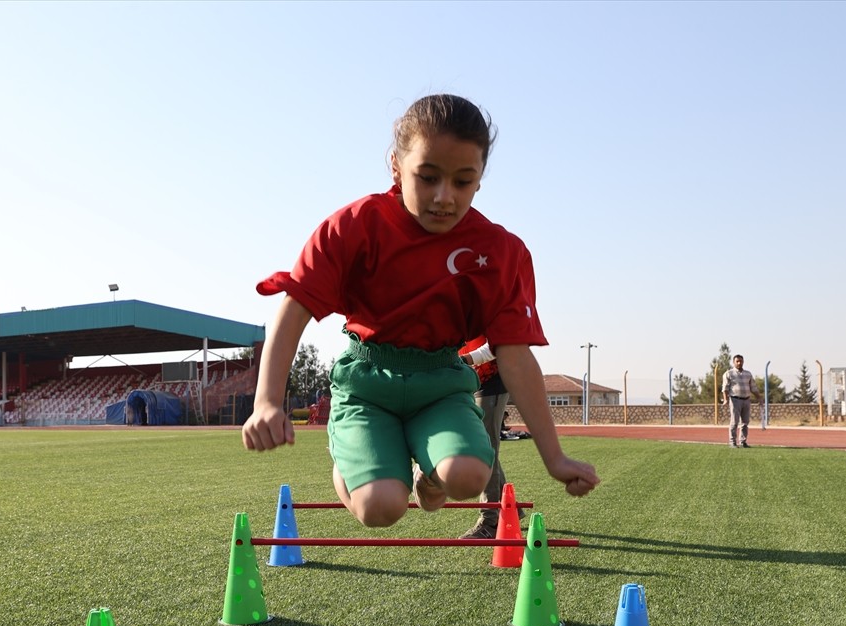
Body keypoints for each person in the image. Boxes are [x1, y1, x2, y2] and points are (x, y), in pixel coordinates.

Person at [242, 93, 600, 527]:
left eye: (463, 181)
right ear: (395, 165)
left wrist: (555, 457)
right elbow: (295, 306)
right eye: (427, 177)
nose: (444, 197)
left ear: (480, 179)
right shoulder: (355, 226)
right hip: (368, 383)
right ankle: (355, 467)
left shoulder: (501, 252)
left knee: (468, 478)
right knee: (381, 508)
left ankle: (429, 476)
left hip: (441, 384)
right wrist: (267, 402)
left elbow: (515, 355)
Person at [457, 336, 521, 539]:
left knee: (485, 450)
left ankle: (490, 521)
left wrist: (464, 360)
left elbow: (497, 345)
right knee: (485, 448)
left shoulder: (484, 306)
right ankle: (511, 510)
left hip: (491, 381)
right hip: (472, 382)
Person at [721, 353, 760, 448]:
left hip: (746, 400)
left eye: (741, 361)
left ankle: (743, 441)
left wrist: (759, 397)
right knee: (734, 422)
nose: (739, 363)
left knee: (745, 422)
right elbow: (725, 388)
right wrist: (726, 400)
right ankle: (732, 442)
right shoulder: (729, 373)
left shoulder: (748, 374)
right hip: (735, 400)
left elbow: (753, 387)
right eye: (737, 361)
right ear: (734, 362)